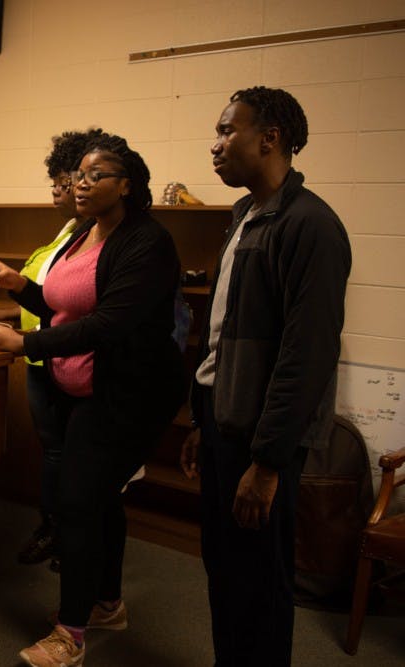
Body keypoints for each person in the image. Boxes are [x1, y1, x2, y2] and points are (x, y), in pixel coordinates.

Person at [0, 133, 187, 666]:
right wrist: (18, 286)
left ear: (127, 185)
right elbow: (58, 305)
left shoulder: (147, 241)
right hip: (81, 387)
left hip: (127, 394)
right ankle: (107, 604)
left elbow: (110, 323)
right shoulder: (84, 233)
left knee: (75, 505)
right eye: (78, 176)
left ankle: (69, 636)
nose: (81, 183)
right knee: (98, 499)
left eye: (96, 175)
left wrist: (24, 344)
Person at [180, 87, 351, 666]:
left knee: (260, 577)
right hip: (224, 422)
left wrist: (269, 461)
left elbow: (306, 357)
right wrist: (203, 419)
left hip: (262, 441)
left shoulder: (311, 226)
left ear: (270, 138)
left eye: (228, 131)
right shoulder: (244, 216)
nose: (215, 145)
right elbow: (225, 336)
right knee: (225, 567)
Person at [0, 129, 101, 572]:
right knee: (53, 451)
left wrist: (23, 338)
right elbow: (45, 299)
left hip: (73, 362)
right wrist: (7, 317)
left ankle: (71, 536)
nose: (61, 188)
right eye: (64, 179)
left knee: (72, 458)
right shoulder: (67, 233)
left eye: (67, 179)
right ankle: (53, 527)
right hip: (40, 357)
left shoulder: (102, 237)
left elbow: (80, 310)